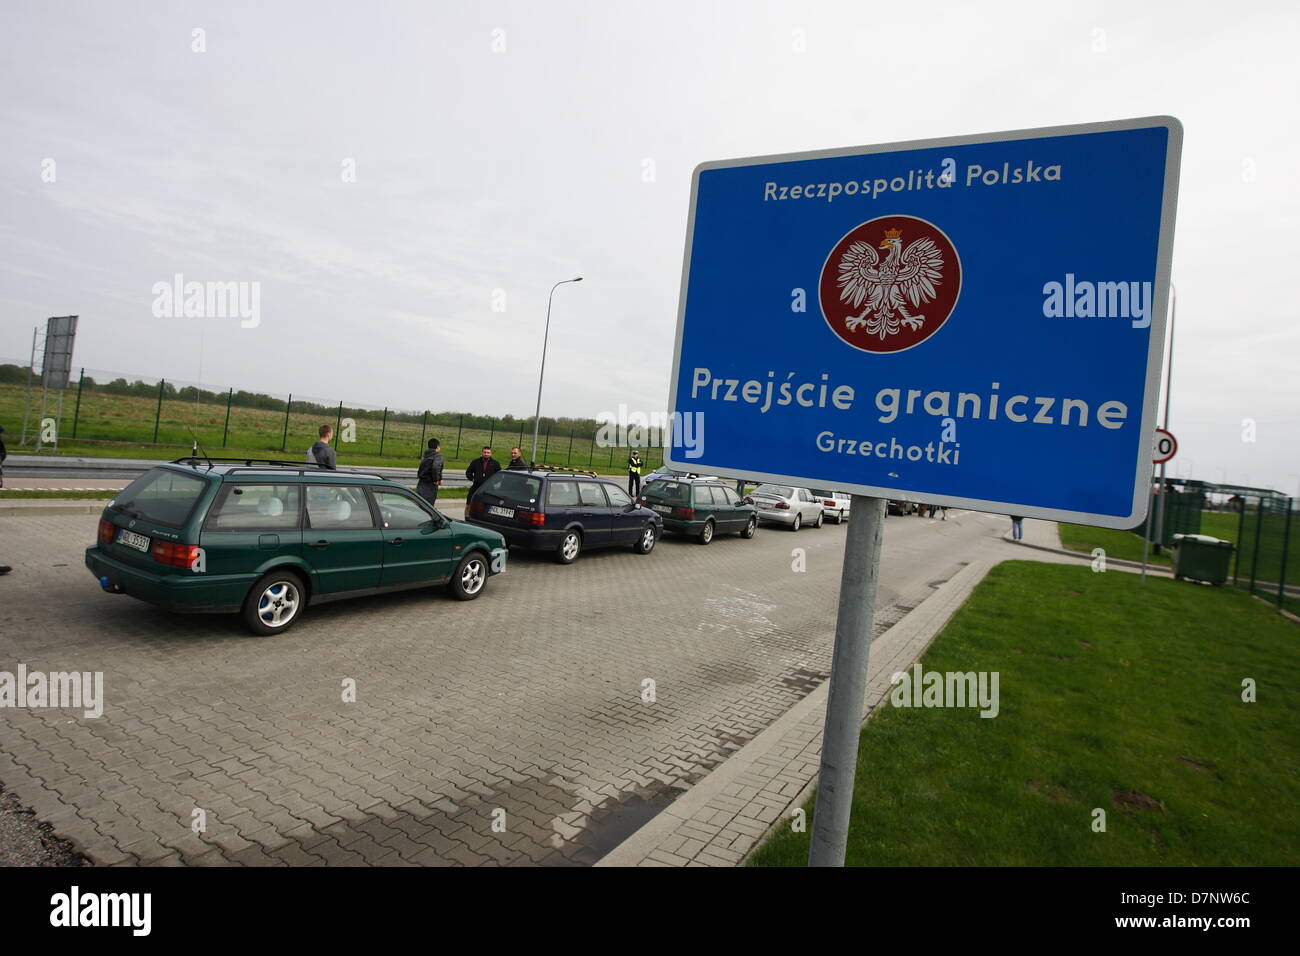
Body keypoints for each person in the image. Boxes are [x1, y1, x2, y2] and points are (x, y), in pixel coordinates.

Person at [416, 438, 444, 506]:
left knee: (419, 505)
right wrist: (437, 479)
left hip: (421, 483)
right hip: (430, 484)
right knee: (428, 506)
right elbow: (436, 467)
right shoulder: (438, 456)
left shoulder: (425, 455)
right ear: (437, 447)